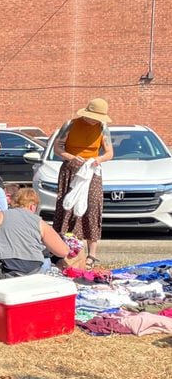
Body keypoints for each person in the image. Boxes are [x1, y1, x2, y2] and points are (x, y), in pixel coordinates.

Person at [51, 98, 114, 270]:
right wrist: (71, 157)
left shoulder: (102, 128)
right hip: (71, 170)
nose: (94, 120)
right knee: (67, 207)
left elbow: (109, 153)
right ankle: (62, 249)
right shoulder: (70, 124)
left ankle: (91, 254)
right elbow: (57, 148)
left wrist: (97, 159)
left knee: (92, 208)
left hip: (91, 171)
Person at [0, 188, 69, 282]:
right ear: (32, 206)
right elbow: (63, 251)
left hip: (4, 272)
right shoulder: (40, 223)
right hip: (32, 274)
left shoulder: (1, 215)